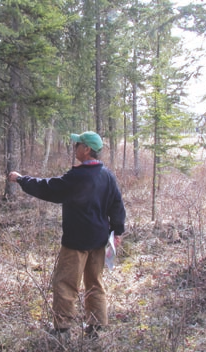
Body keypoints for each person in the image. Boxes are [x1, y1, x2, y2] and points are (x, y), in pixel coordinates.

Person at [8, 131, 126, 340]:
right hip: (99, 240)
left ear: (87, 149)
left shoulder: (77, 177)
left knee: (65, 283)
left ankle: (62, 331)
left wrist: (21, 180)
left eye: (77, 144)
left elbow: (48, 188)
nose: (74, 148)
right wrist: (117, 231)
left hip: (76, 243)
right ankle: (96, 329)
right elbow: (117, 205)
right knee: (95, 283)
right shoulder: (107, 175)